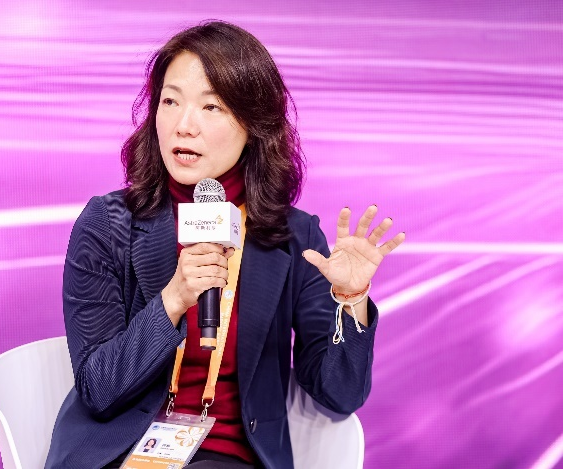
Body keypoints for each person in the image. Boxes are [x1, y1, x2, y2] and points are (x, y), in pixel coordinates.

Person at [45, 21, 404, 469]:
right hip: (121, 453)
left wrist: (351, 300)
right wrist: (174, 299)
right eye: (170, 101)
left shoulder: (294, 237)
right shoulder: (109, 224)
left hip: (229, 456)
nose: (184, 125)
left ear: (254, 125)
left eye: (211, 106)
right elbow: (98, 390)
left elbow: (340, 395)